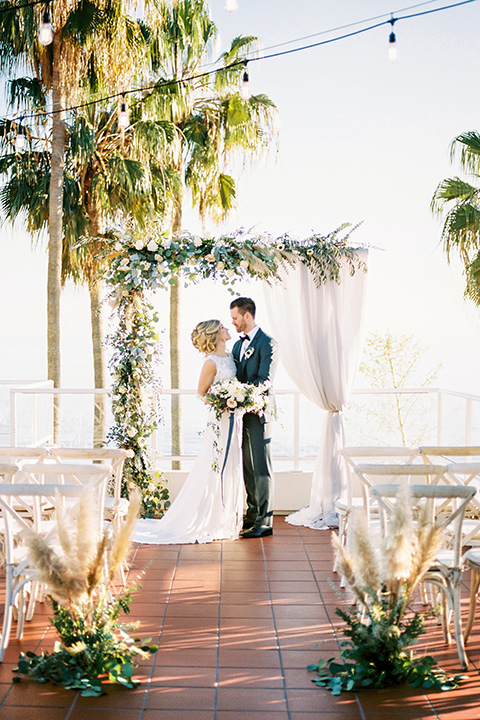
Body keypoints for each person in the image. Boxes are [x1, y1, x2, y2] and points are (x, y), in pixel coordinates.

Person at [132, 319, 244, 544]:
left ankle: (224, 516)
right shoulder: (211, 362)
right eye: (223, 327)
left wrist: (238, 396)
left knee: (232, 463)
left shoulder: (231, 356)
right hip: (220, 419)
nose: (227, 329)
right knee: (215, 463)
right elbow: (202, 393)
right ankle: (207, 518)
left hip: (235, 419)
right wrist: (224, 401)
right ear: (215, 334)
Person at [230, 297, 277, 538]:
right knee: (248, 466)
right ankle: (252, 513)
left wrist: (244, 395)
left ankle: (265, 521)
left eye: (236, 318)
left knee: (261, 468)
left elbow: (265, 378)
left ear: (248, 316)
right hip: (241, 415)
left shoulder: (267, 342)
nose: (234, 323)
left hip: (259, 413)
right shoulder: (237, 346)